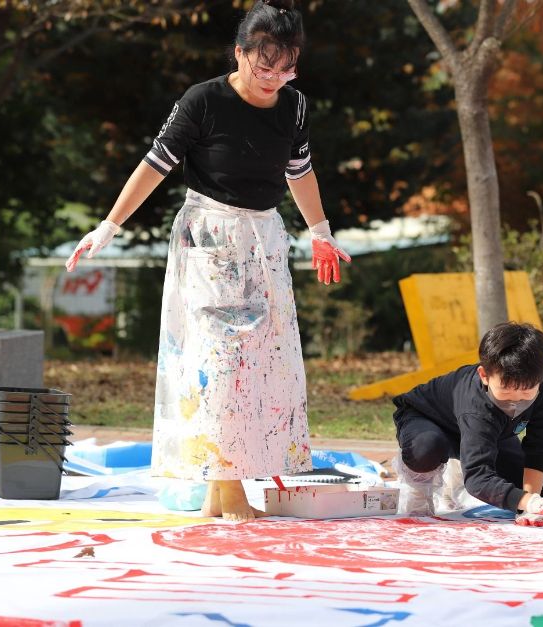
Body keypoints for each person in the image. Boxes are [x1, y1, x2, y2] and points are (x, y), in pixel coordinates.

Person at [64, 0, 350, 522]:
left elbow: (300, 171)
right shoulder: (203, 101)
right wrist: (107, 227)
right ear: (239, 54)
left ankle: (219, 496)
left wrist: (320, 233)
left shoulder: (294, 104)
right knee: (220, 364)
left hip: (265, 240)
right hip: (211, 237)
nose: (275, 79)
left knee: (263, 365)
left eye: (287, 68)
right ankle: (231, 491)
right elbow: (153, 166)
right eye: (265, 67)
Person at [392, 322, 543, 526]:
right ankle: (421, 480)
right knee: (426, 449)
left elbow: (540, 444)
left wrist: (529, 508)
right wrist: (528, 501)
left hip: (493, 432)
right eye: (506, 391)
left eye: (527, 392)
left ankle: (463, 463)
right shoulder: (475, 404)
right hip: (428, 421)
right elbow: (478, 479)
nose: (516, 400)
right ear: (484, 375)